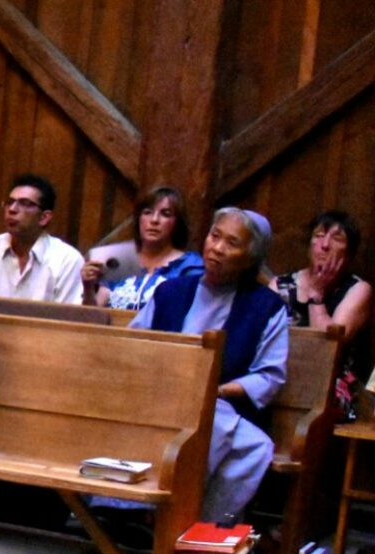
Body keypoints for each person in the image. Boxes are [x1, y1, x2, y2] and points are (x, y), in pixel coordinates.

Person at [124, 208, 288, 521]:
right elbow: (135, 345)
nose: (217, 248)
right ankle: (124, 508)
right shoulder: (171, 291)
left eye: (232, 243)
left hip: (219, 405)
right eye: (215, 236)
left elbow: (270, 375)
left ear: (250, 257)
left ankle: (181, 522)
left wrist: (218, 390)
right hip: (158, 397)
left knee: (226, 437)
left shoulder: (266, 307)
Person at [272, 211, 369, 416]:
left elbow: (328, 349)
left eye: (337, 238)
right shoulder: (280, 285)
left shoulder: (358, 290)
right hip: (282, 372)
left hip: (331, 384)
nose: (325, 245)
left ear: (349, 252)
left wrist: (317, 296)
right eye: (318, 236)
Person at [0, 173, 85, 303]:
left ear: (44, 217)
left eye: (25, 203)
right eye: (9, 202)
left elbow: (69, 319)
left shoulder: (67, 260)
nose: (12, 209)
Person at [82, 186, 204, 310]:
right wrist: (88, 288)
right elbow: (93, 317)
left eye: (165, 214)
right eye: (147, 212)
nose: (154, 220)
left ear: (177, 223)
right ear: (139, 218)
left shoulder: (189, 265)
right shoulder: (120, 259)